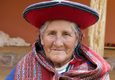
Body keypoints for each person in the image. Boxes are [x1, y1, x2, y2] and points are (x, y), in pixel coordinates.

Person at [6, 0, 111, 80]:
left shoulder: (95, 72)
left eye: (66, 34)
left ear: (77, 40)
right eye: (51, 34)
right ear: (41, 38)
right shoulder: (25, 66)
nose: (58, 43)